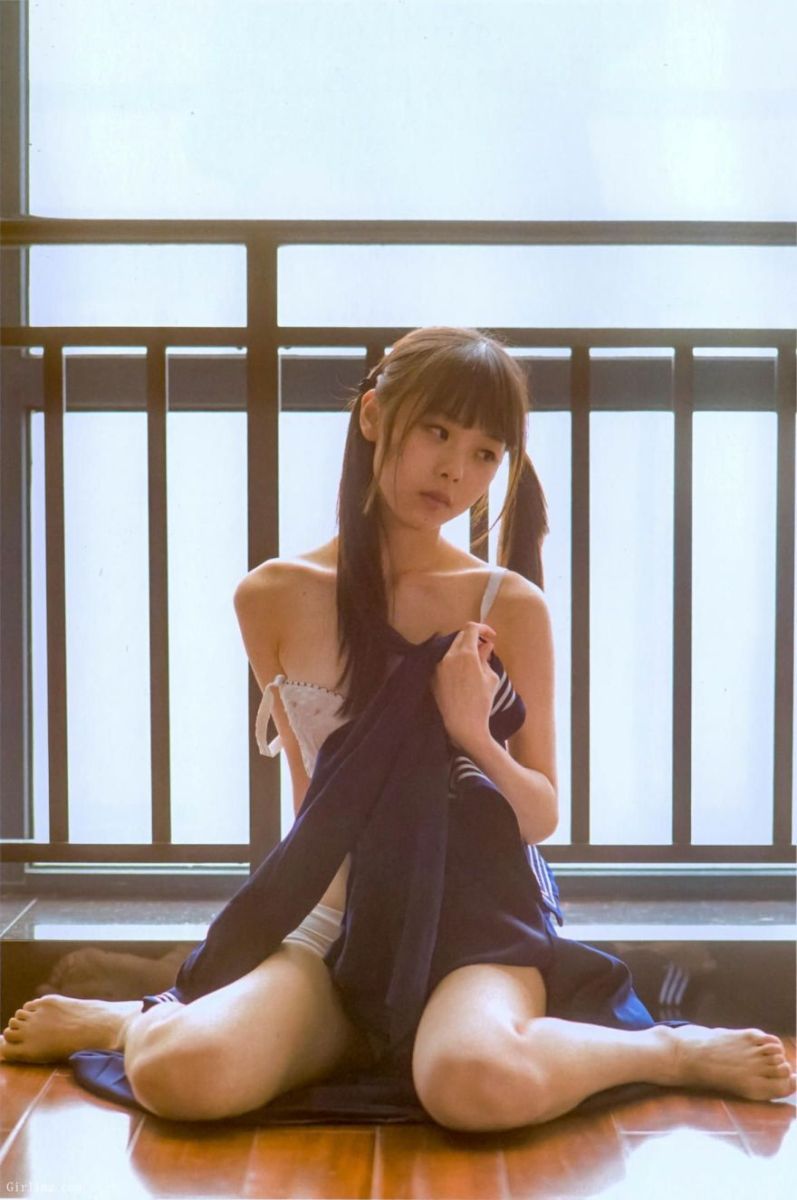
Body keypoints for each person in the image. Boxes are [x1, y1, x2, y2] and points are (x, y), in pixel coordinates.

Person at [1, 326, 794, 1131]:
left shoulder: (507, 604)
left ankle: (665, 1051)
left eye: (484, 453)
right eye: (436, 432)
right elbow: (316, 805)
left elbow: (539, 816)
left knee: (473, 1084)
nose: (455, 471)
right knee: (182, 1076)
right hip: (337, 921)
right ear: (374, 416)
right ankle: (137, 1023)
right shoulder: (269, 597)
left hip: (475, 917)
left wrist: (471, 733)